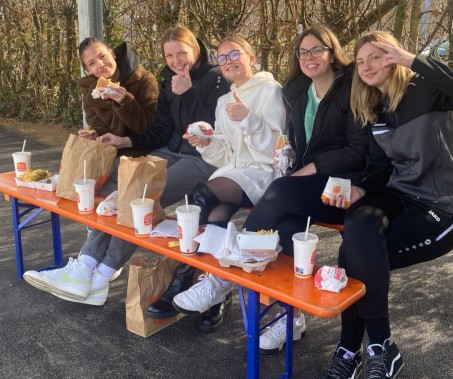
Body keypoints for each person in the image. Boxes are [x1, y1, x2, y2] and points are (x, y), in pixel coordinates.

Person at [314, 31, 453, 379]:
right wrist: (359, 190)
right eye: (360, 62)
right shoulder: (372, 105)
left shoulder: (425, 89)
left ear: (393, 55)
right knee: (357, 226)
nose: (367, 67)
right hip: (396, 197)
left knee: (355, 257)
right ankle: (376, 348)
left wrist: (412, 59)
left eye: (376, 57)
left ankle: (353, 351)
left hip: (438, 209)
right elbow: (379, 170)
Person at [22, 26, 230, 316]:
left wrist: (189, 94)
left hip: (205, 159)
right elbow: (159, 131)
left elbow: (216, 131)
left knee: (138, 196)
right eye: (169, 55)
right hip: (168, 151)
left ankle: (99, 273)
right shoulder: (168, 78)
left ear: (195, 49)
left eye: (182, 52)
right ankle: (88, 270)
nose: (176, 60)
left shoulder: (216, 79)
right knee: (126, 185)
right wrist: (126, 141)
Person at [241, 24, 371, 353]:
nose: (309, 57)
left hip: (345, 188)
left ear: (332, 53)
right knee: (286, 225)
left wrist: (306, 169)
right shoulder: (298, 94)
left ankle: (236, 258)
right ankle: (291, 318)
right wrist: (289, 154)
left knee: (282, 192)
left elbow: (357, 150)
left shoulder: (351, 88)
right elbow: (302, 145)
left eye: (316, 50)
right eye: (303, 52)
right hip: (310, 183)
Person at [168, 35, 287, 326]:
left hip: (264, 173)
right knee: (215, 210)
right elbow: (223, 156)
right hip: (234, 171)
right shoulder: (223, 101)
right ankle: (214, 288)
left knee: (202, 196)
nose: (228, 62)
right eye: (222, 58)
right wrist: (205, 142)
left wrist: (250, 120)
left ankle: (185, 277)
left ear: (251, 57)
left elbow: (277, 148)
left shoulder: (271, 91)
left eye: (234, 54)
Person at [77, 37, 158, 143]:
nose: (100, 64)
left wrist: (125, 101)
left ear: (112, 54)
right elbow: (97, 123)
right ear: (88, 70)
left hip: (139, 148)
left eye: (102, 56)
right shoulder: (89, 89)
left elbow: (149, 125)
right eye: (92, 63)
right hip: (108, 149)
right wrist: (95, 133)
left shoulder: (143, 80)